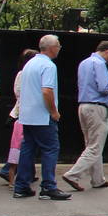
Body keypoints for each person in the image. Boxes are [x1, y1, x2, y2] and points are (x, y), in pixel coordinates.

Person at [13, 34, 70, 201]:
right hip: (42, 116)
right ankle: (48, 187)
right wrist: (53, 111)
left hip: (27, 115)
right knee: (51, 149)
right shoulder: (48, 66)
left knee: (27, 150)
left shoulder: (30, 63)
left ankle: (21, 186)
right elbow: (46, 91)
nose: (59, 48)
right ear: (51, 48)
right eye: (58, 45)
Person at [61, 40, 108, 191]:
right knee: (95, 146)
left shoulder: (84, 63)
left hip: (84, 106)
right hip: (97, 107)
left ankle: (98, 179)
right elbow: (104, 88)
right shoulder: (99, 64)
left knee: (91, 144)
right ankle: (72, 175)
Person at [0, 48, 36, 186]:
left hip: (24, 113)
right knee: (22, 145)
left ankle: (28, 173)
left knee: (26, 145)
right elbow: (20, 95)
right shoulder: (23, 74)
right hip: (23, 115)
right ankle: (10, 171)